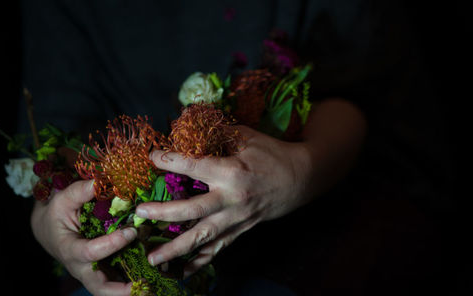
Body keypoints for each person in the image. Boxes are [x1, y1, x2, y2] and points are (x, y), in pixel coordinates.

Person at [21, 1, 372, 295]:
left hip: (314, 226)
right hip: (134, 256)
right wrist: (47, 218)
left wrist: (302, 170)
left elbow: (360, 89)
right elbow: (56, 121)